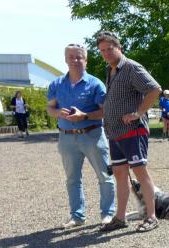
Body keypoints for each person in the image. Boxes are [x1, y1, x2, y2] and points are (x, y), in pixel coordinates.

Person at [95, 30, 162, 233]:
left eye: (109, 49)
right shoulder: (111, 70)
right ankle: (120, 217)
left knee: (140, 172)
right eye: (102, 50)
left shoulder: (131, 67)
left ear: (119, 47)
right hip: (115, 133)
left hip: (132, 130)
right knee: (120, 174)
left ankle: (151, 216)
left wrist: (138, 112)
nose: (106, 53)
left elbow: (154, 89)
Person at [46, 43, 116, 229]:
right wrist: (58, 112)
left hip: (92, 135)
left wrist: (84, 116)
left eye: (79, 57)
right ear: (65, 60)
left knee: (104, 176)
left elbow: (105, 111)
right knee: (72, 179)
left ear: (86, 60)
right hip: (66, 137)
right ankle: (77, 216)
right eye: (71, 57)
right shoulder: (56, 84)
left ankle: (108, 214)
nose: (75, 60)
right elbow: (50, 108)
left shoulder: (95, 84)